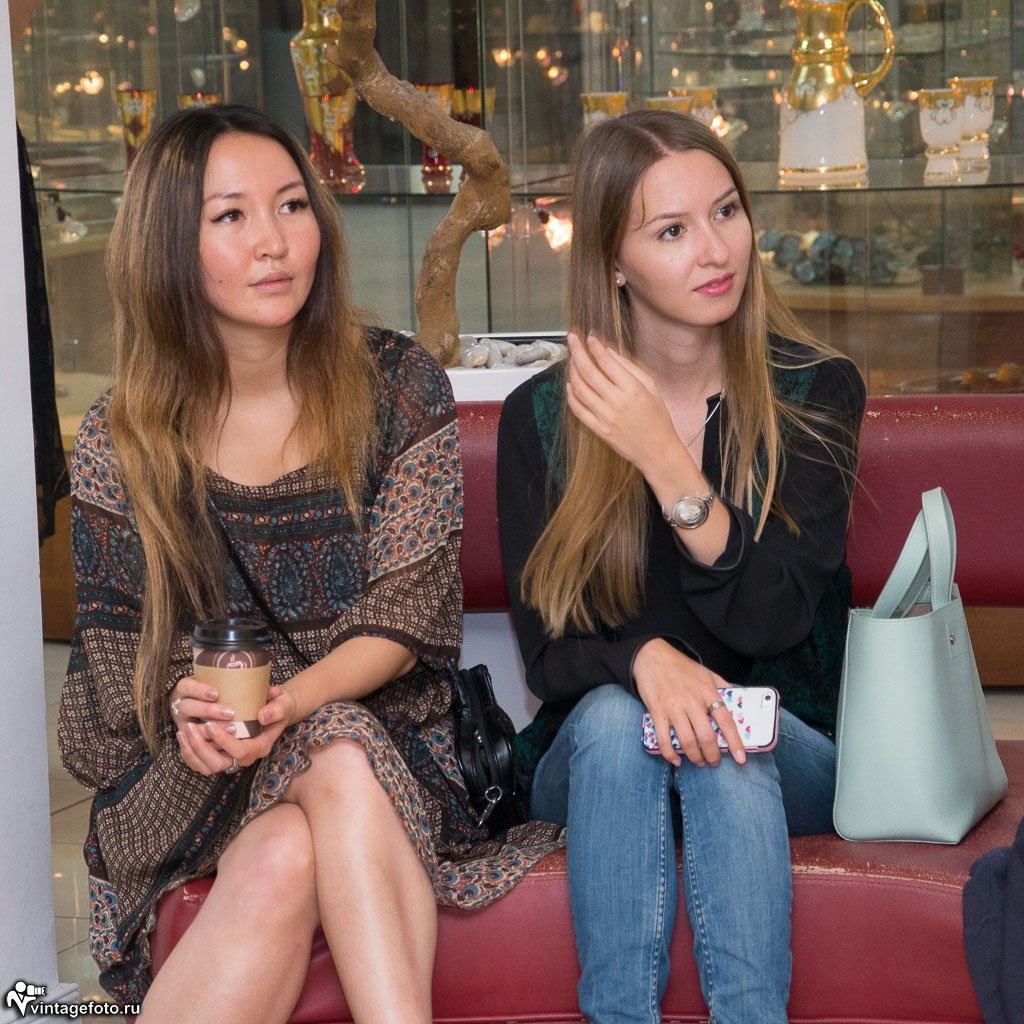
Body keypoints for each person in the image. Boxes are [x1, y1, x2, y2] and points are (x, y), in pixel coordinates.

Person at [57, 103, 560, 1023]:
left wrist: (292, 704)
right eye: (230, 216)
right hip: (197, 774)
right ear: (169, 247)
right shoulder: (118, 444)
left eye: (292, 206)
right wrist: (191, 709)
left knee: (320, 777)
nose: (274, 241)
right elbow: (114, 679)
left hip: (388, 739)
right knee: (322, 768)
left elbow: (407, 615)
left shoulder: (397, 385)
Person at [497, 110, 866, 1024]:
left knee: (727, 735)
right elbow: (548, 660)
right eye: (671, 231)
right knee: (622, 718)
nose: (716, 249)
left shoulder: (816, 392)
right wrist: (643, 661)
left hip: (788, 750)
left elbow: (772, 621)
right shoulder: (540, 419)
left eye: (726, 211)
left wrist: (666, 460)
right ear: (613, 263)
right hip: (599, 759)